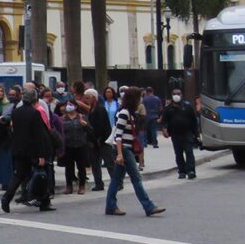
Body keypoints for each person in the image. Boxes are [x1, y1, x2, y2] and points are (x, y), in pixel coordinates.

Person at [106, 87, 165, 217]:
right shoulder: (124, 113)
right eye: (139, 97)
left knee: (116, 179)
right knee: (136, 178)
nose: (140, 100)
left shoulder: (129, 113)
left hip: (125, 149)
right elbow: (118, 135)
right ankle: (148, 206)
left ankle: (110, 205)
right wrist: (120, 153)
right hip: (124, 149)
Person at [1, 88, 54, 213]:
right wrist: (41, 154)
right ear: (34, 99)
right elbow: (38, 135)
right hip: (33, 150)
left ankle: (7, 197)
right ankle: (44, 201)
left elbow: (13, 130)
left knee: (18, 175)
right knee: (42, 174)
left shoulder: (16, 112)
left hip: (18, 148)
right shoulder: (35, 113)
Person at [161, 88, 200, 179]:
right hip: (175, 134)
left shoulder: (187, 106)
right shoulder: (168, 108)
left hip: (187, 133)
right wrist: (164, 129)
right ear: (172, 95)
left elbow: (194, 120)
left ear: (181, 95)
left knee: (189, 152)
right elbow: (164, 121)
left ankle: (191, 171)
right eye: (174, 94)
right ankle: (181, 171)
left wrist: (196, 133)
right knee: (178, 153)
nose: (176, 95)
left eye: (178, 94)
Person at [85, 88, 113, 192]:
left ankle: (117, 183)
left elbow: (101, 126)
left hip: (102, 140)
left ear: (94, 98)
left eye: (88, 98)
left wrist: (98, 138)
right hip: (94, 141)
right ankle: (98, 183)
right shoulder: (91, 110)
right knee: (95, 163)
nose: (86, 100)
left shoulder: (100, 109)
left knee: (109, 162)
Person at [60, 101, 90, 194]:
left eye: (71, 105)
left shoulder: (82, 117)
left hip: (80, 145)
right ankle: (69, 186)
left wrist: (85, 124)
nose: (68, 107)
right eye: (67, 105)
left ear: (76, 107)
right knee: (69, 167)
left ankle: (82, 186)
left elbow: (90, 130)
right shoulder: (63, 119)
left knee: (81, 167)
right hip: (68, 146)